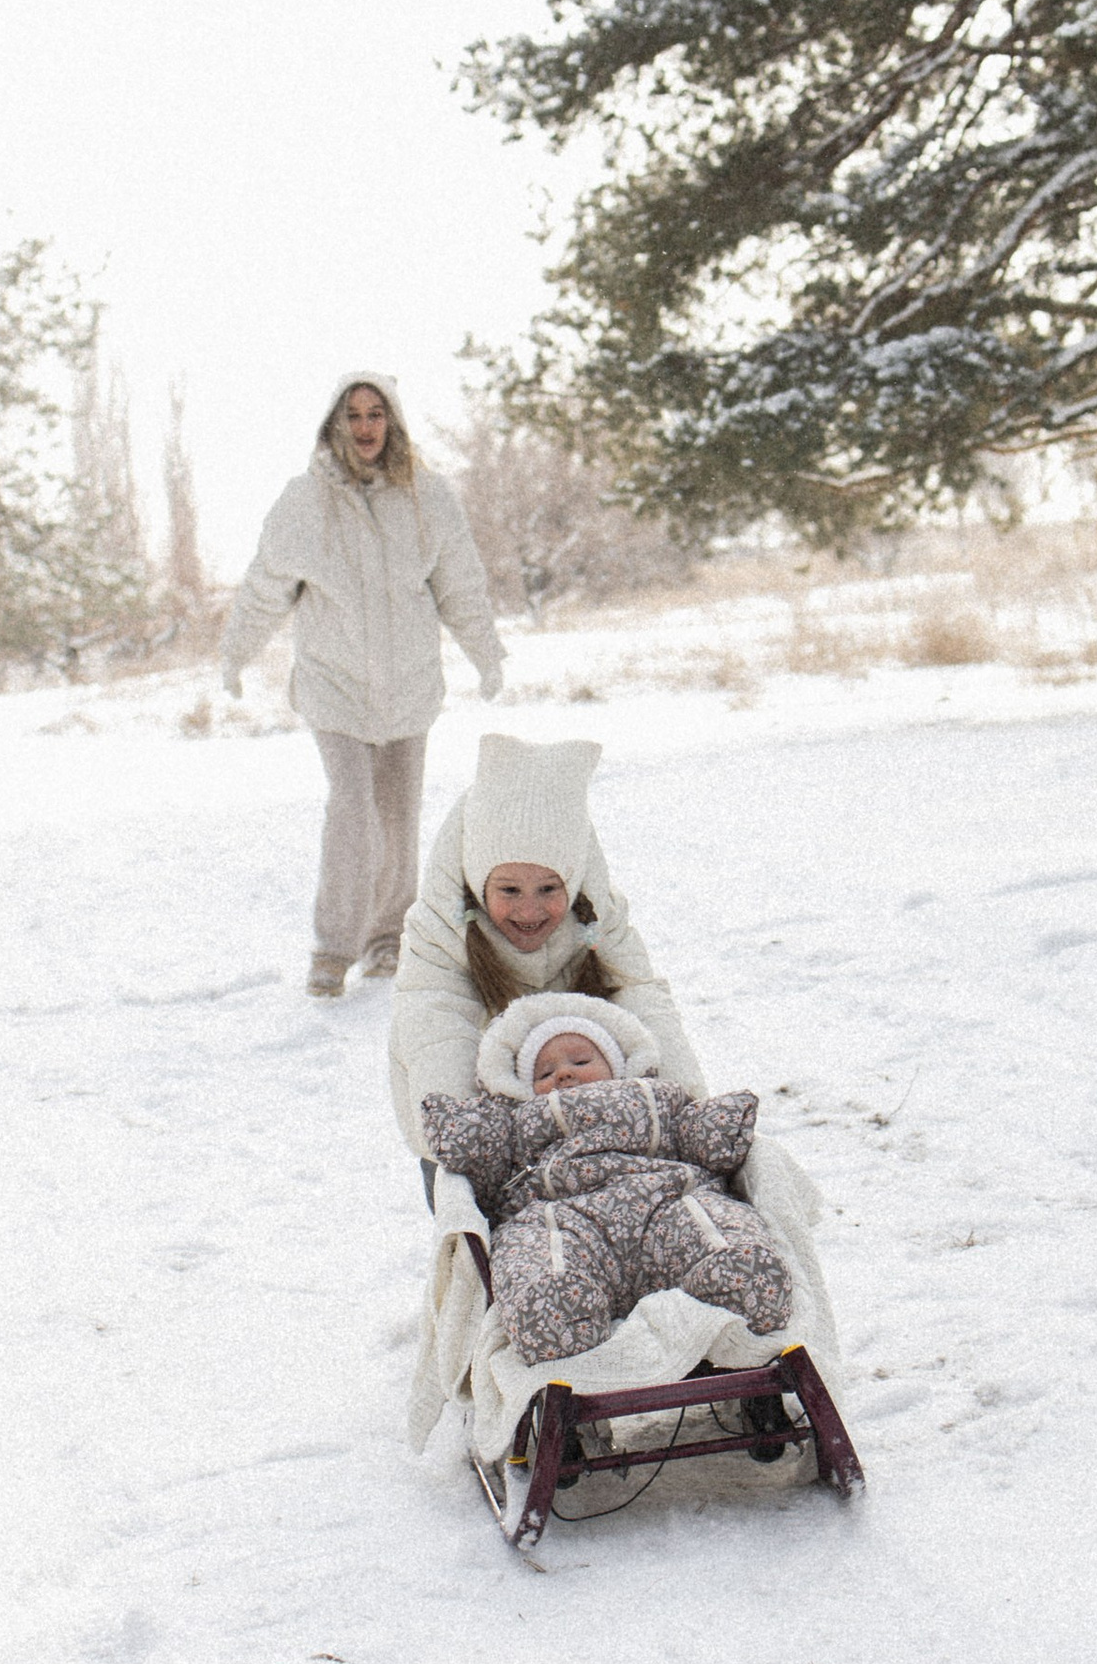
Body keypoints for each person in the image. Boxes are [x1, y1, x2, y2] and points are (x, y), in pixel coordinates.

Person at [218, 371, 504, 1000]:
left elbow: (460, 586)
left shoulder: (428, 499)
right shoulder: (303, 503)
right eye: (354, 415)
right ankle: (331, 949)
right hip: (335, 687)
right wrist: (235, 655)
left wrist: (486, 655)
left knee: (399, 819)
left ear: (393, 421)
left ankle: (386, 939)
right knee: (353, 811)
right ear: (334, 424)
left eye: (377, 414)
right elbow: (265, 588)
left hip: (407, 687)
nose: (366, 427)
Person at [419, 988, 792, 1366]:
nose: (563, 1073)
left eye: (582, 1060)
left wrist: (716, 1126)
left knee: (705, 1217)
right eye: (544, 1072)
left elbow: (694, 1135)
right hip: (559, 1219)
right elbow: (485, 1164)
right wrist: (468, 1133)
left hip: (663, 1202)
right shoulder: (516, 1120)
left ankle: (734, 1278)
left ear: (617, 1064)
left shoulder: (659, 1097)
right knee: (533, 1253)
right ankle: (558, 1312)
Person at [387, 732, 705, 1154]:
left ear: (572, 883)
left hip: (595, 1112)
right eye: (510, 890)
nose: (530, 911)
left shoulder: (598, 916)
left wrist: (688, 1102)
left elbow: (643, 1002)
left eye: (549, 889)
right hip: (478, 1109)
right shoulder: (440, 928)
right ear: (478, 882)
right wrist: (467, 1138)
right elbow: (436, 1028)